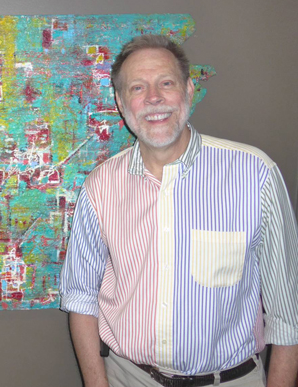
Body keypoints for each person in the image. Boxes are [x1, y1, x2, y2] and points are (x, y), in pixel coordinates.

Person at [59, 34, 298, 387]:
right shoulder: (100, 185)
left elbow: (287, 315)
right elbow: (81, 299)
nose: (153, 97)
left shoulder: (256, 175)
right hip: (129, 378)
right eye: (138, 87)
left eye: (166, 83)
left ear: (188, 90)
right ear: (121, 102)